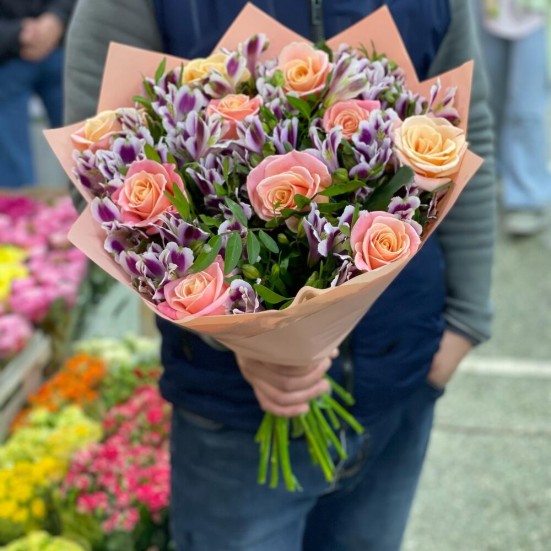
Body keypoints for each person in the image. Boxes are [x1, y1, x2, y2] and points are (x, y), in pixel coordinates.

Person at [64, 1, 496, 550]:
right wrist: (240, 339)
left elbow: (467, 130)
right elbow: (97, 181)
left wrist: (465, 322)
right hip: (231, 412)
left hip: (400, 378)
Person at [476, 0, 551, 236]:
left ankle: (526, 194)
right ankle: (494, 175)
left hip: (536, 14)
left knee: (526, 109)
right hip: (487, 11)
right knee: (488, 98)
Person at [0, 0, 76, 189]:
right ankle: (17, 203)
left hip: (61, 47)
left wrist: (56, 18)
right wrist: (16, 33)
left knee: (86, 146)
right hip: (6, 60)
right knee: (12, 170)